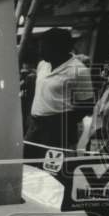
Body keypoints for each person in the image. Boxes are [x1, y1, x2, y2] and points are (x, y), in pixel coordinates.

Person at [24, 28, 95, 157]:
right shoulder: (42, 65)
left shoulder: (79, 70)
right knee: (28, 165)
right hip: (35, 126)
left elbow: (87, 105)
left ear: (57, 48)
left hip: (57, 129)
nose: (40, 51)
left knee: (53, 169)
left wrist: (61, 123)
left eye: (43, 47)